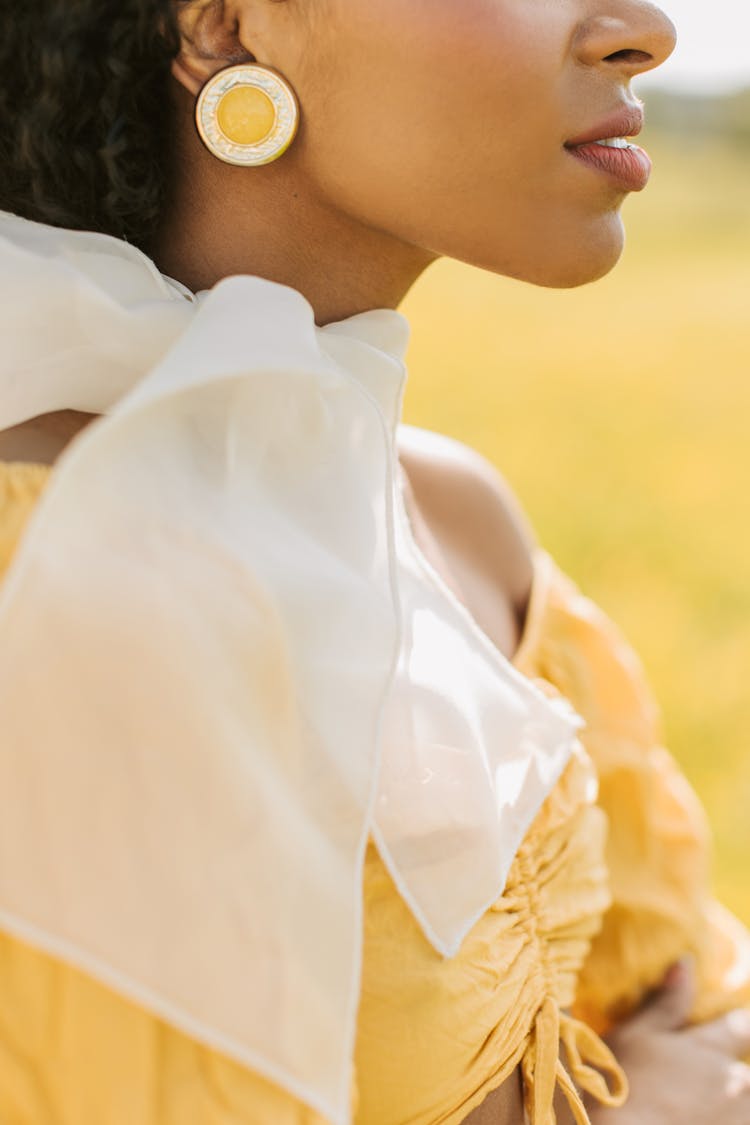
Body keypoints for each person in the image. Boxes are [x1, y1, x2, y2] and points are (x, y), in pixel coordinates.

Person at [0, 2, 749, 1124]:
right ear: (221, 30)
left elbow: (704, 1000)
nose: (643, 29)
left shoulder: (461, 523)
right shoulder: (51, 565)